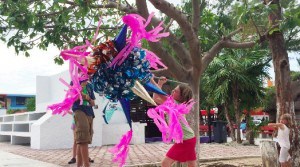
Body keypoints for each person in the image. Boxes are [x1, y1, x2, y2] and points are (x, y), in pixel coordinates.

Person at [151, 77, 196, 167]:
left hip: (185, 140)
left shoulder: (173, 103)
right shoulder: (172, 103)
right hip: (189, 138)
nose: (172, 91)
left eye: (175, 91)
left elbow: (159, 94)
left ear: (181, 96)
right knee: (191, 164)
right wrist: (159, 84)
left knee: (165, 163)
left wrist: (151, 80)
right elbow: (156, 98)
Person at [72, 78, 96, 167]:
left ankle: (79, 165)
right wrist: (83, 95)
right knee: (83, 136)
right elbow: (73, 97)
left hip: (89, 112)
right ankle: (86, 165)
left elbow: (93, 103)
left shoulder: (90, 85)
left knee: (82, 140)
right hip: (79, 110)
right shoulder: (74, 82)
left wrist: (87, 98)